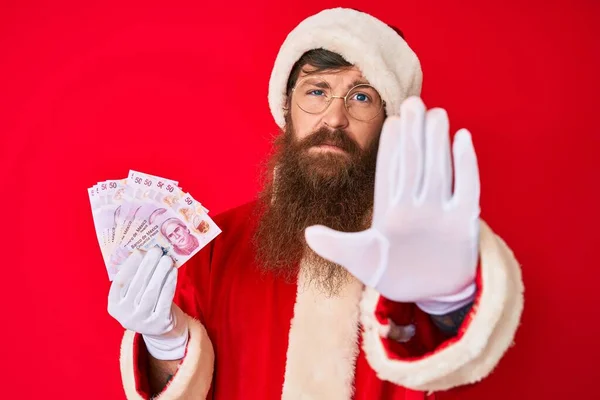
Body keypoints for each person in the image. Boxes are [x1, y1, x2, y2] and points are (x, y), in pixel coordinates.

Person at [107, 8, 523, 400]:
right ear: (287, 108)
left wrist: (450, 307)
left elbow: (455, 367)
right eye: (317, 91)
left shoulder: (426, 238)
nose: (334, 118)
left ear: (387, 119)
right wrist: (165, 341)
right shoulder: (214, 247)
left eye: (361, 97)